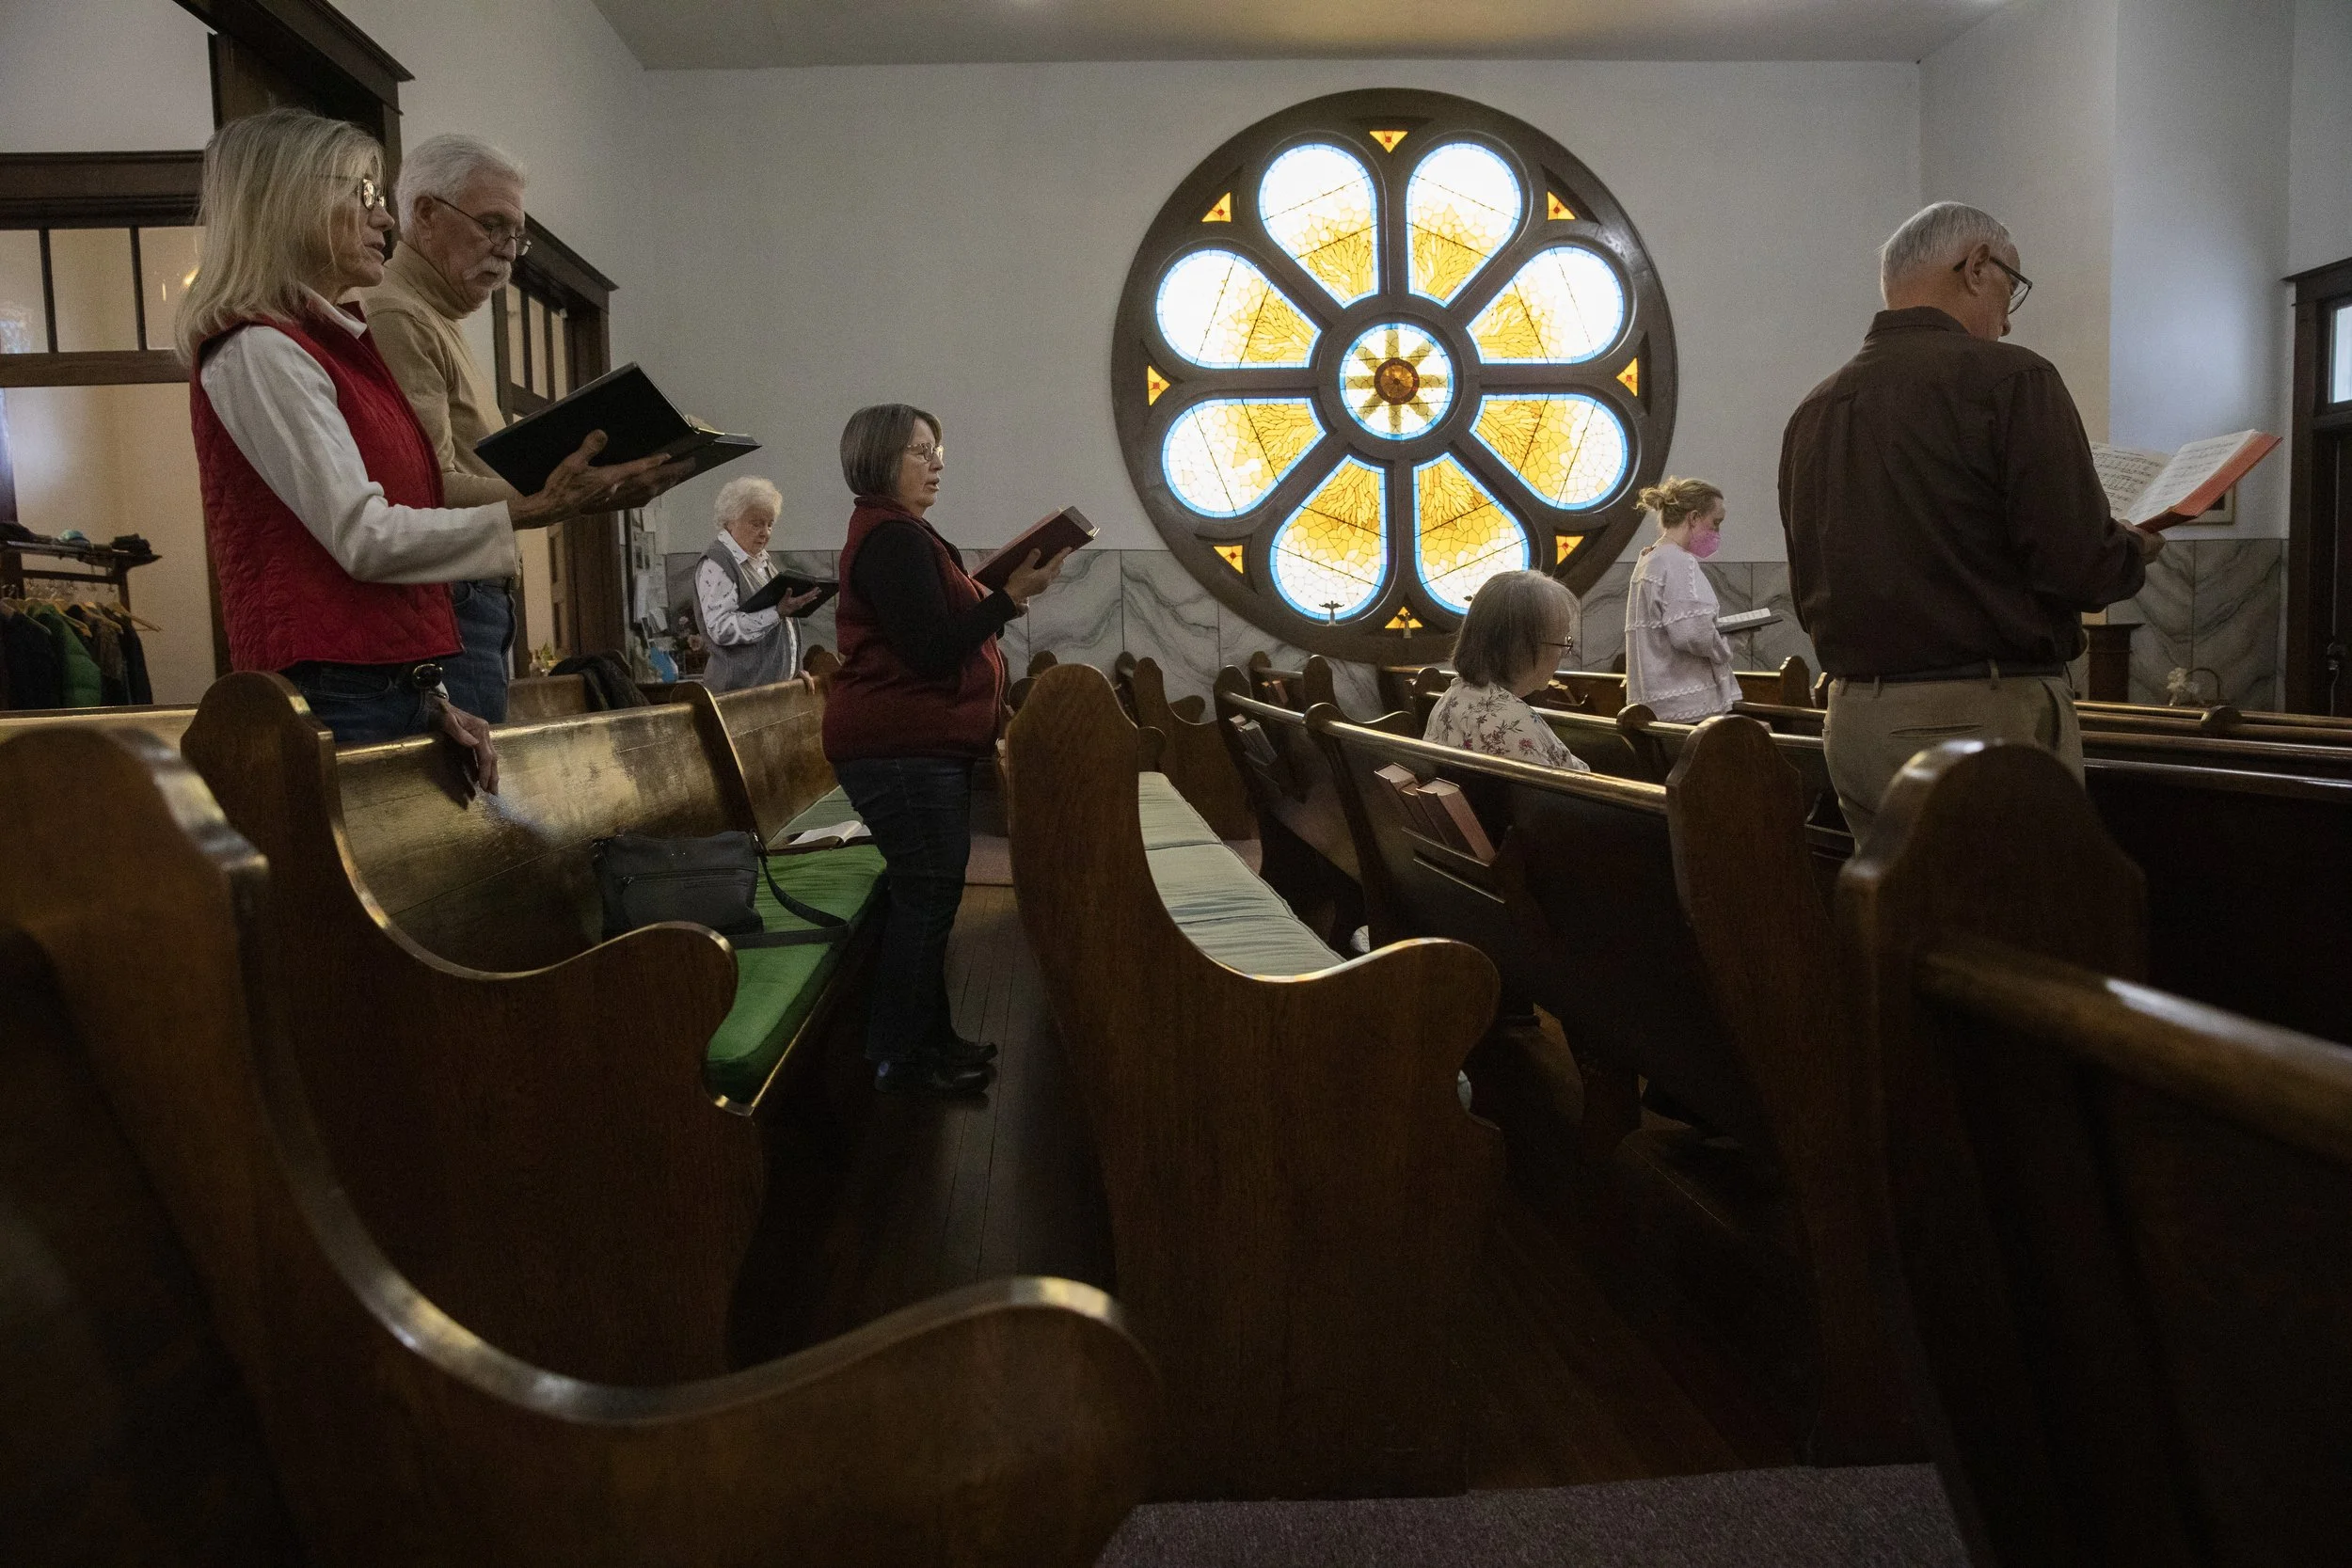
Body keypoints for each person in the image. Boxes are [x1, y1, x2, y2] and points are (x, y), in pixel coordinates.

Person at [179, 108, 666, 783]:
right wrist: (533, 508)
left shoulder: (332, 344)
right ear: (291, 204)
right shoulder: (259, 349)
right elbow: (364, 536)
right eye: (366, 197)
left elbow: (405, 518)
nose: (385, 221)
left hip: (383, 683)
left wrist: (431, 697)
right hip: (331, 691)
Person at [1780, 201, 2160, 838]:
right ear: (1977, 267)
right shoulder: (2013, 379)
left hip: (1851, 722)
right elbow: (2077, 566)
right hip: (1980, 720)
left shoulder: (1816, 409)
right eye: (2013, 286)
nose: (2009, 320)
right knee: (2013, 931)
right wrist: (2130, 550)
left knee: (1902, 928)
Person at [360, 134, 682, 721]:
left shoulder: (435, 314)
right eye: (492, 226)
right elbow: (423, 493)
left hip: (469, 599)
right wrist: (561, 496)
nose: (509, 251)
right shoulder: (397, 314)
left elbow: (480, 474)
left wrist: (592, 492)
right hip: (445, 603)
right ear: (426, 213)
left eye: (517, 235)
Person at [821, 404, 1068, 1097]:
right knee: (926, 894)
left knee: (929, 891)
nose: (936, 463)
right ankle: (899, 1056)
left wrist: (998, 591)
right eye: (919, 450)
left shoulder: (904, 534)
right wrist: (1008, 598)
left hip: (918, 743)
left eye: (938, 452)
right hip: (899, 745)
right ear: (877, 460)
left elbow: (939, 621)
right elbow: (930, 649)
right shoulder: (891, 538)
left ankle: (931, 1039)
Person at [1424, 570, 1591, 772]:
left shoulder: (1456, 696)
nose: (1564, 654)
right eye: (1561, 642)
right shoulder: (1512, 729)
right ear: (1522, 649)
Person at [1624, 477, 1743, 723]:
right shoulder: (1678, 562)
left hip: (1657, 703)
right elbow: (1693, 635)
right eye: (1715, 522)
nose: (1717, 531)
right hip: (1688, 706)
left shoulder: (1651, 557)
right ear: (1694, 517)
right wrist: (1736, 638)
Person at [694, 476, 820, 691]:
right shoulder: (717, 562)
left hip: (769, 691)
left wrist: (792, 669)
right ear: (730, 521)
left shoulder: (760, 560)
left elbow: (779, 631)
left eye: (770, 524)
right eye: (757, 524)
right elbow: (721, 628)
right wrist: (777, 612)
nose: (765, 532)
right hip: (738, 694)